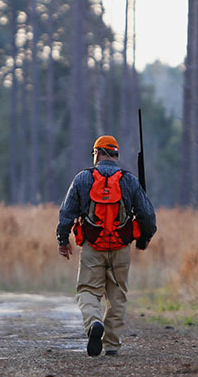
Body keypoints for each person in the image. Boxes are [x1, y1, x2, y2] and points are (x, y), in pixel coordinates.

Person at [57, 135, 156, 357]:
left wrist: (62, 240)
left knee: (87, 290)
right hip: (121, 247)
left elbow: (66, 212)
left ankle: (93, 323)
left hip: (93, 247)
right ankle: (111, 345)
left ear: (97, 153)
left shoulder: (83, 179)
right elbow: (147, 215)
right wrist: (145, 238)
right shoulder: (129, 180)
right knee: (117, 296)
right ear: (116, 155)